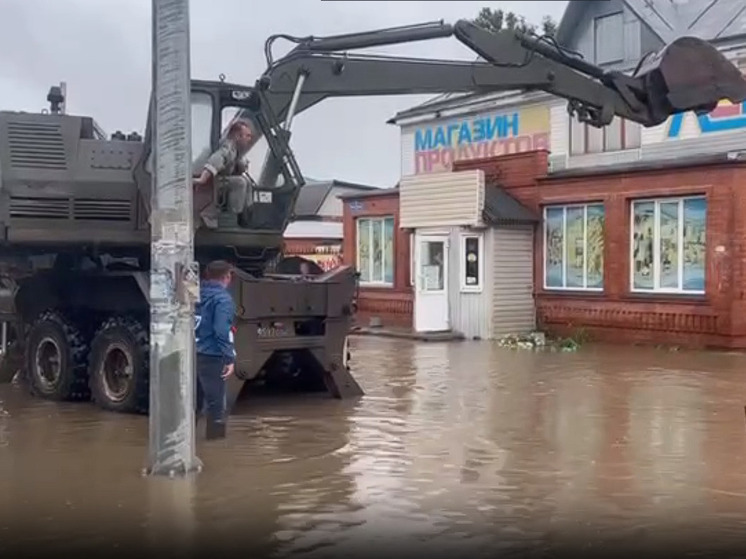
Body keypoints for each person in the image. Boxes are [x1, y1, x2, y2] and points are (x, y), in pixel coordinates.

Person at [194, 259, 237, 440]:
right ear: (227, 277)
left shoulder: (196, 294)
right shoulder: (222, 299)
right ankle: (215, 445)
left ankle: (186, 443)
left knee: (193, 402)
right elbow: (221, 330)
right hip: (212, 355)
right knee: (217, 406)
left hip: (194, 353)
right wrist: (229, 359)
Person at [193, 120, 255, 230]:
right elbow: (216, 160)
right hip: (216, 183)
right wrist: (203, 178)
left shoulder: (236, 150)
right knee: (240, 182)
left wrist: (241, 166)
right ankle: (233, 216)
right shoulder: (227, 147)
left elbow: (236, 163)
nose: (249, 139)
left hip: (222, 181)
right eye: (247, 136)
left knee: (248, 182)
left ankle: (247, 215)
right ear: (237, 136)